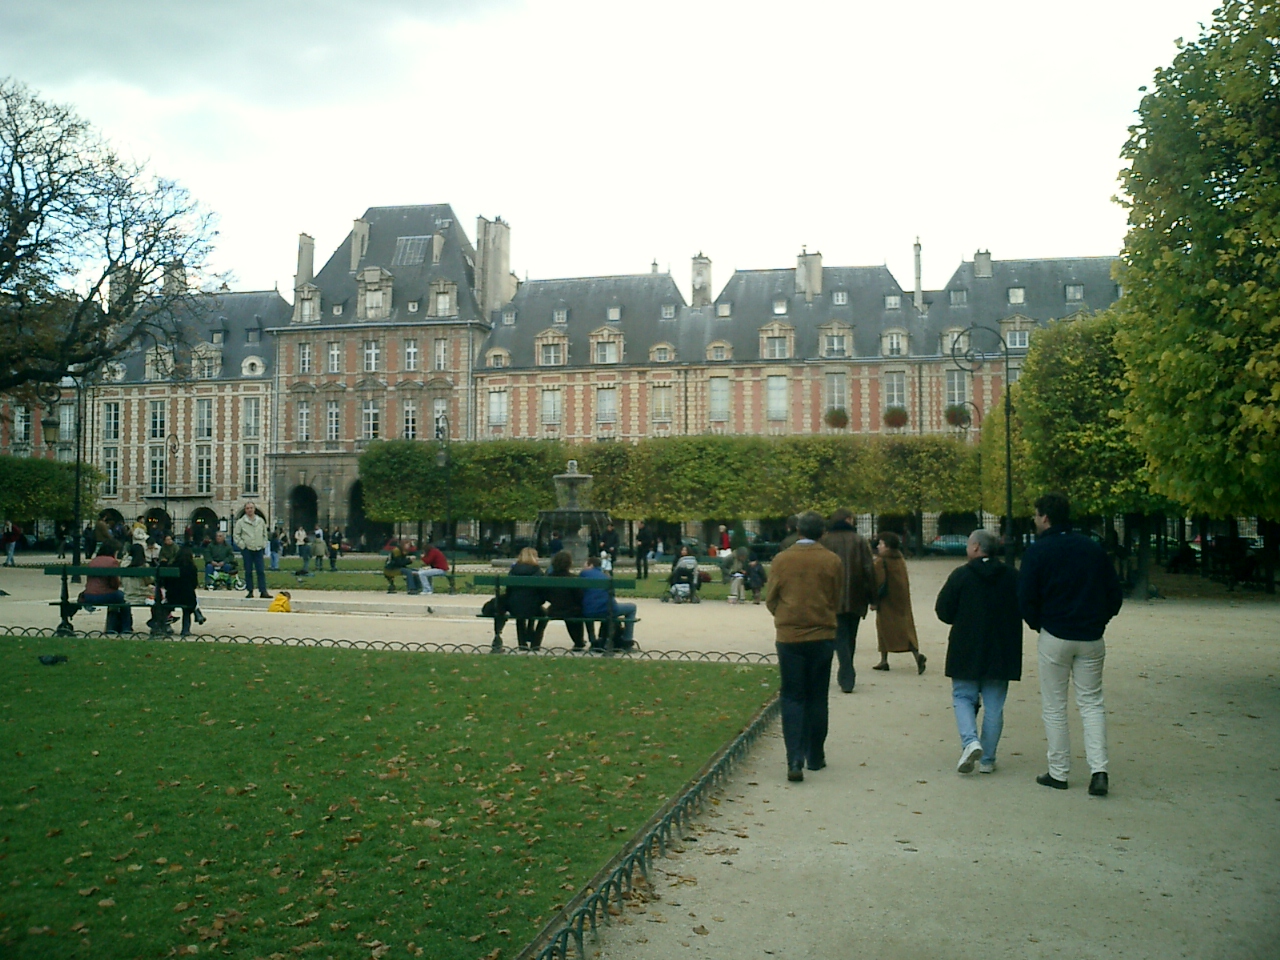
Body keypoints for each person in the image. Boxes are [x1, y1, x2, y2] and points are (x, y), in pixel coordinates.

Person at [1019, 492, 1123, 796]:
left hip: (1055, 634)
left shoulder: (1038, 551)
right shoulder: (1092, 548)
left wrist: (1039, 624)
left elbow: (1025, 597)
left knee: (1055, 706)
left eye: (1036, 515)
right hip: (1091, 636)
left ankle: (1059, 771)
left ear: (1045, 517)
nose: (1035, 520)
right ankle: (1099, 770)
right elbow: (1114, 594)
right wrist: (1099, 621)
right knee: (1092, 703)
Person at [935, 529, 1023, 775]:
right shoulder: (1012, 576)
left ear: (975, 547)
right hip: (1002, 647)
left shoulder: (961, 575)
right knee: (994, 705)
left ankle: (970, 741)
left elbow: (943, 610)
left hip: (967, 645)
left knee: (963, 696)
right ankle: (988, 758)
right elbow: (1025, 606)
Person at [766, 510, 843, 782]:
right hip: (822, 634)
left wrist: (784, 616)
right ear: (823, 533)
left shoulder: (782, 559)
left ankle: (794, 759)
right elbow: (836, 597)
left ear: (798, 531)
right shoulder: (832, 560)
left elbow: (771, 597)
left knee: (792, 696)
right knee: (817, 697)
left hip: (790, 636)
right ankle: (816, 755)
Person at [821, 508, 876, 693]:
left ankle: (846, 671)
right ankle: (847, 669)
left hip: (833, 596)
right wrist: (873, 598)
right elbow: (869, 570)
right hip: (856, 594)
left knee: (840, 635)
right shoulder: (859, 541)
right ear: (847, 520)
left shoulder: (825, 541)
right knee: (851, 636)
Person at [872, 532, 927, 674]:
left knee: (883, 628)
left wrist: (873, 600)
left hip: (886, 600)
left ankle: (884, 660)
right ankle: (916, 654)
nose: (878, 546)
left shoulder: (881, 561)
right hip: (902, 600)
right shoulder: (899, 559)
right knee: (906, 629)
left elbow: (878, 582)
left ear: (887, 546)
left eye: (881, 543)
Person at [581, 555, 636, 650]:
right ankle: (627, 640)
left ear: (591, 565)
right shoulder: (606, 576)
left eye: (585, 565)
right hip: (607, 610)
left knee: (588, 609)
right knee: (632, 607)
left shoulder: (584, 574)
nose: (583, 566)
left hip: (588, 611)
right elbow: (612, 594)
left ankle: (593, 640)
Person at [542, 550, 585, 649]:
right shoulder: (573, 578)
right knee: (577, 614)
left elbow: (545, 595)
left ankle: (535, 643)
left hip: (554, 609)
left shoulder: (548, 578)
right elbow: (579, 597)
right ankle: (578, 642)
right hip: (572, 610)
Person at [79, 541, 125, 633]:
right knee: (123, 598)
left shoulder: (93, 561)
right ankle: (126, 627)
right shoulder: (112, 562)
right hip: (104, 595)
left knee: (116, 597)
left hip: (88, 595)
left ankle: (112, 627)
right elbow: (114, 583)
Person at [507, 547, 546, 650]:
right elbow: (542, 592)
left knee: (520, 615)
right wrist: (539, 601)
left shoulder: (513, 571)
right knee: (543, 614)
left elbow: (508, 590)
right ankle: (536, 643)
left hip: (515, 606)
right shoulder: (537, 571)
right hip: (533, 606)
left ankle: (522, 643)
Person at [233, 502, 272, 600]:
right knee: (248, 571)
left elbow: (265, 534)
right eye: (247, 508)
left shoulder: (260, 521)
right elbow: (236, 535)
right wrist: (243, 545)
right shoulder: (241, 522)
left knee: (260, 571)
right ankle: (250, 591)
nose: (250, 510)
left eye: (251, 508)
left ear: (254, 509)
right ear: (245, 510)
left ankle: (263, 591)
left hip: (258, 549)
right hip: (247, 549)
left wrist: (263, 544)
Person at [167, 546, 205, 636]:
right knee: (189, 604)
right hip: (187, 598)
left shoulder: (172, 566)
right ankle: (186, 629)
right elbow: (194, 584)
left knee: (188, 598)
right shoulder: (192, 568)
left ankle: (165, 625)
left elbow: (166, 583)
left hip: (172, 596)